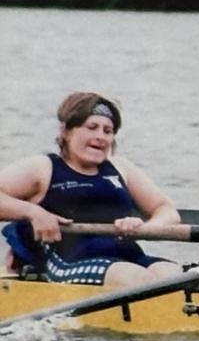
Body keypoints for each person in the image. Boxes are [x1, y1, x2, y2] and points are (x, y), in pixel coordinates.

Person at [0, 92, 181, 287]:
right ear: (66, 132)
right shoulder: (43, 168)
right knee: (134, 277)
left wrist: (144, 228)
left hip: (125, 256)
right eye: (92, 128)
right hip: (66, 261)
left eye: (108, 131)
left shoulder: (120, 168)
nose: (100, 137)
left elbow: (166, 210)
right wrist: (33, 212)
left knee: (172, 275)